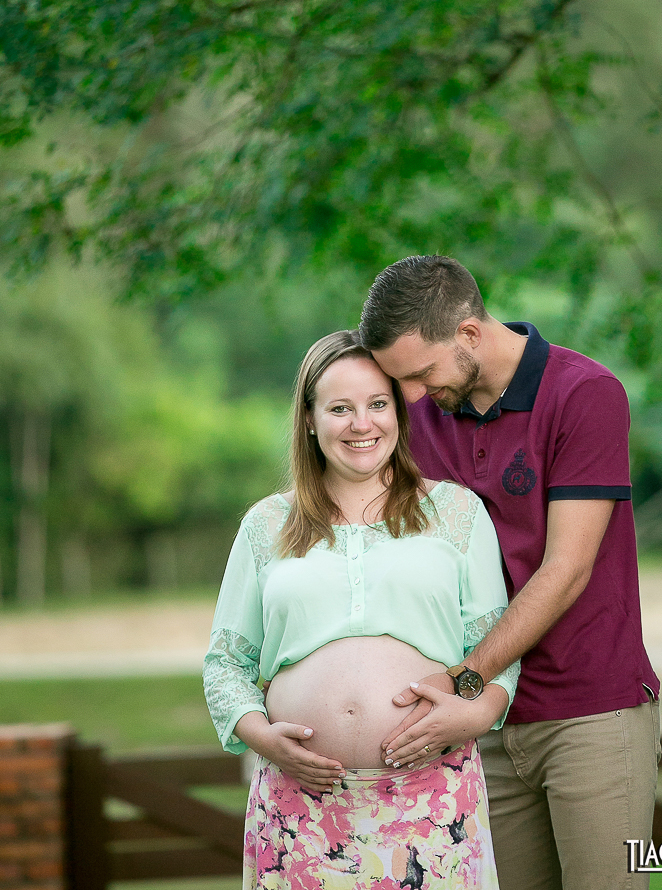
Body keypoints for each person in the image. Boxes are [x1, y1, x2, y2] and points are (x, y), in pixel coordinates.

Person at [358, 256, 661, 890]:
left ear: (468, 332)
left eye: (420, 373)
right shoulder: (423, 412)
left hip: (588, 712)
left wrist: (465, 680)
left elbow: (566, 569)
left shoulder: (584, 393)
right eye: (399, 380)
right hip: (482, 727)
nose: (410, 397)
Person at [203, 329, 519, 890]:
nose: (361, 423)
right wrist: (262, 739)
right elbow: (226, 663)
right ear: (309, 418)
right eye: (340, 408)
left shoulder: (456, 511)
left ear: (398, 412)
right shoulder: (265, 525)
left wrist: (474, 717)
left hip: (431, 801)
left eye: (377, 404)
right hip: (299, 808)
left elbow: (498, 648)